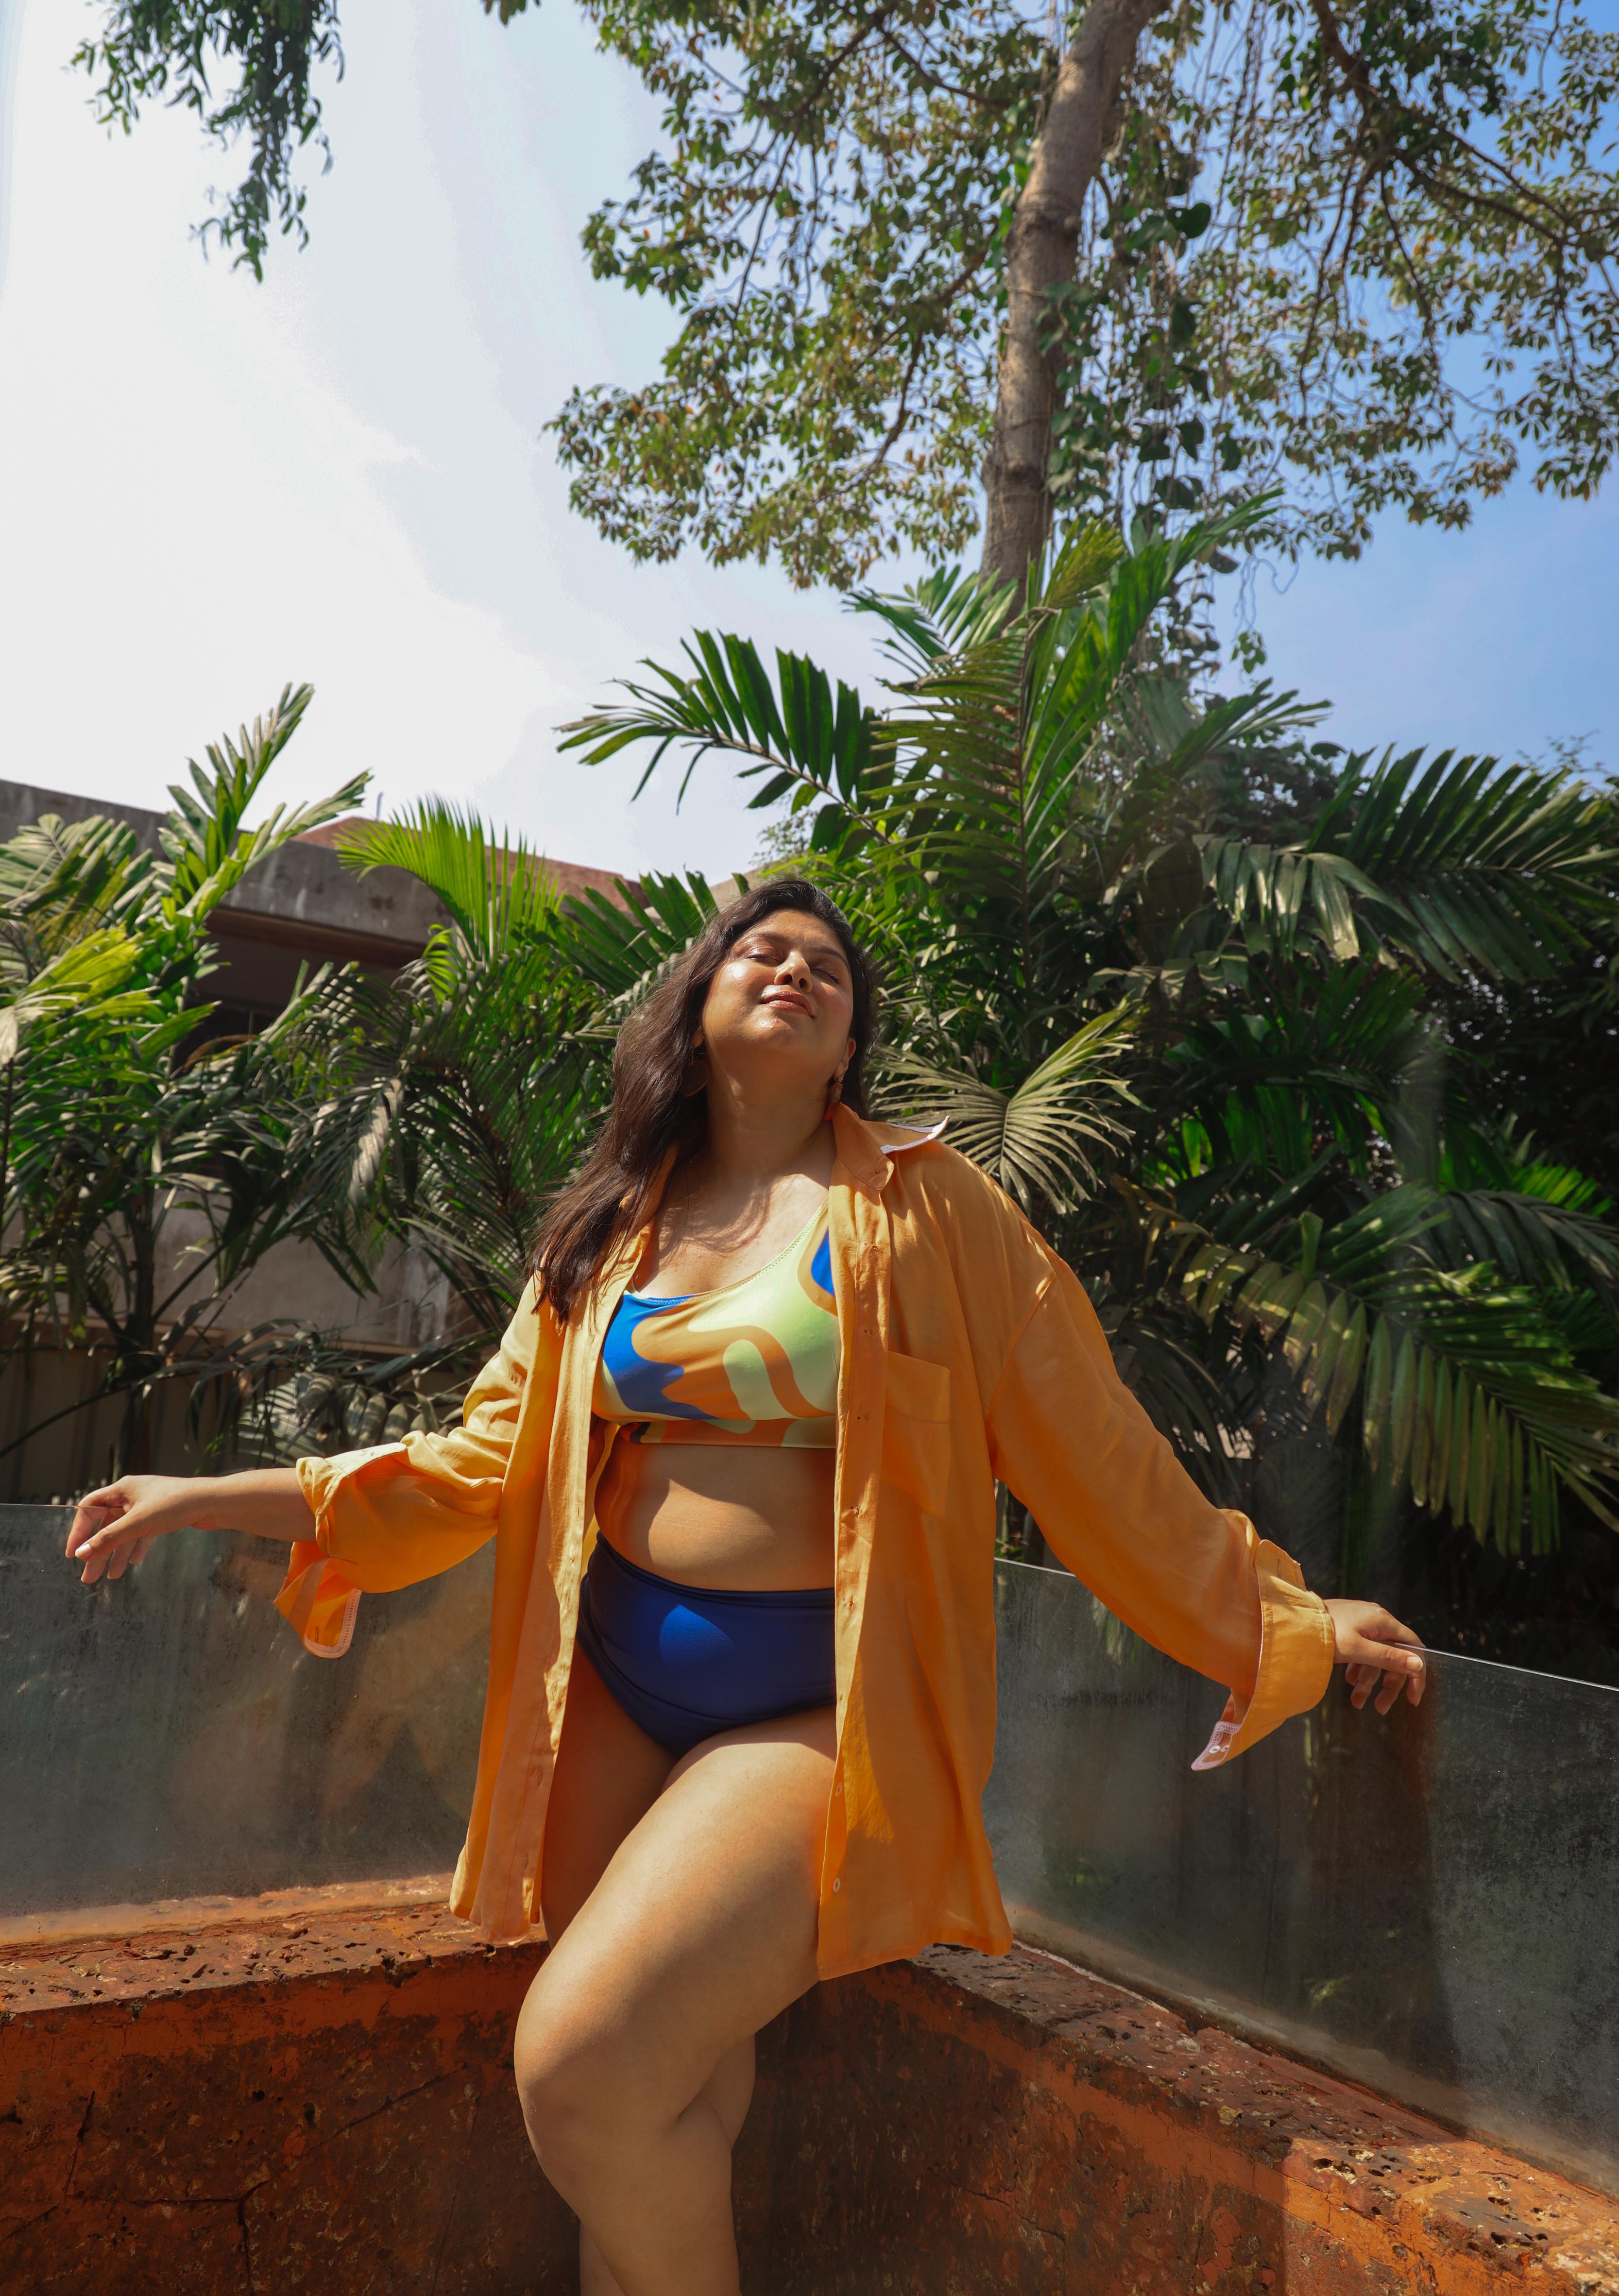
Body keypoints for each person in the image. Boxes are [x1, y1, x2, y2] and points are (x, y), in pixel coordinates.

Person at [67, 876, 1426, 2296]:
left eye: (827, 965)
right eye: (760, 953)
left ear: (847, 1044)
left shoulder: (925, 1207)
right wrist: (201, 1497)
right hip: (614, 1682)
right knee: (674, 2099)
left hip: (820, 1704)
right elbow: (476, 1461)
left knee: (586, 2068)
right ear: (700, 1011)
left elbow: (1093, 1445)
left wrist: (1284, 1619)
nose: (794, 970)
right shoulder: (608, 1229)